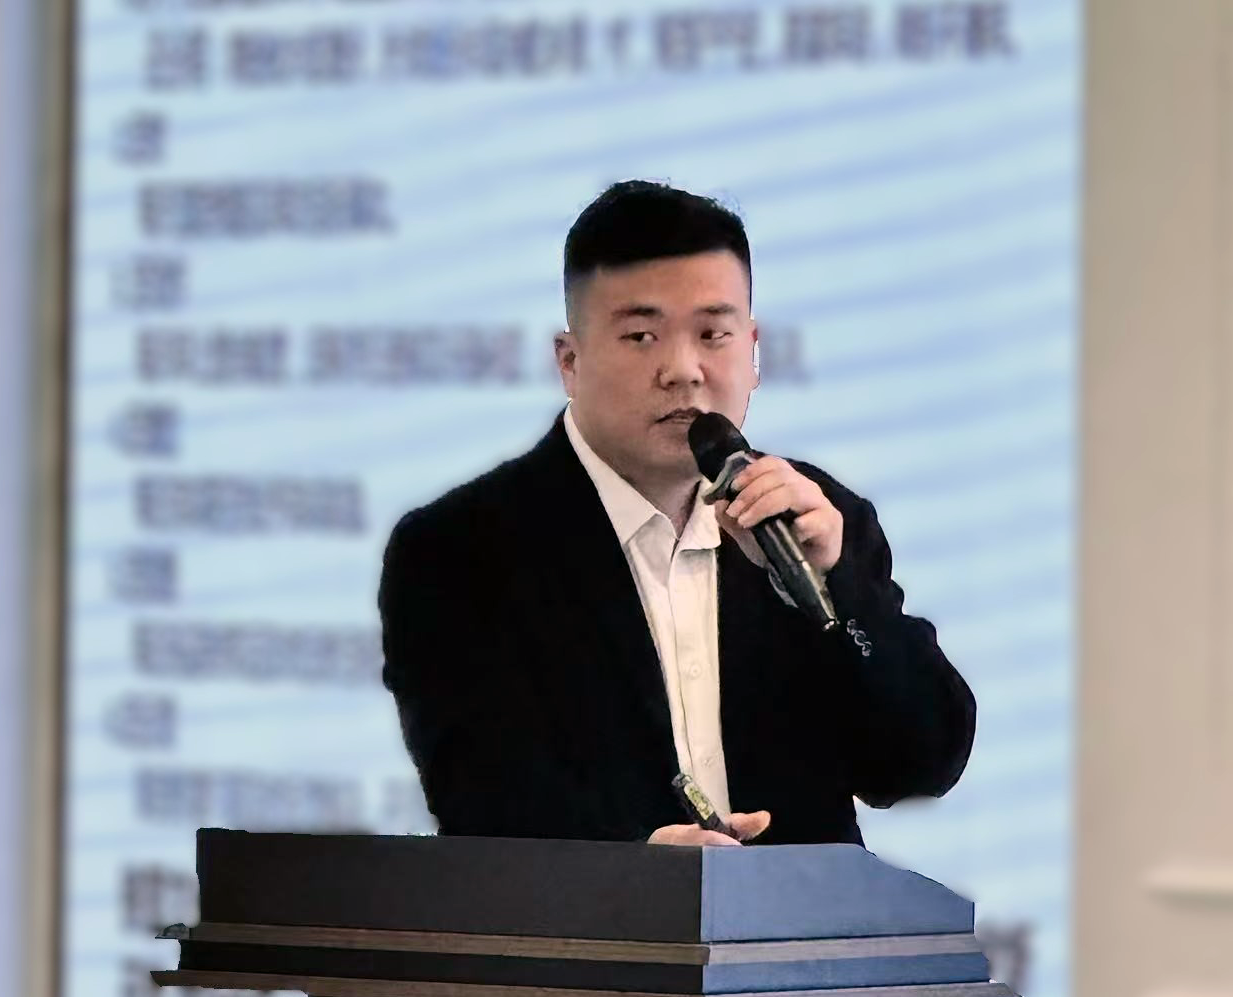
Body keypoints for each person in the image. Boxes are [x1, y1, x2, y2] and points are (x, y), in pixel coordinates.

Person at [379, 180, 975, 847]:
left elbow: (922, 763)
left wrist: (836, 588)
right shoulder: (459, 550)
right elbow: (480, 796)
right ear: (570, 362)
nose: (683, 370)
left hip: (796, 919)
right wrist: (637, 870)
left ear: (753, 351)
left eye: (713, 334)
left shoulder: (818, 518)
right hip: (597, 917)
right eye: (641, 336)